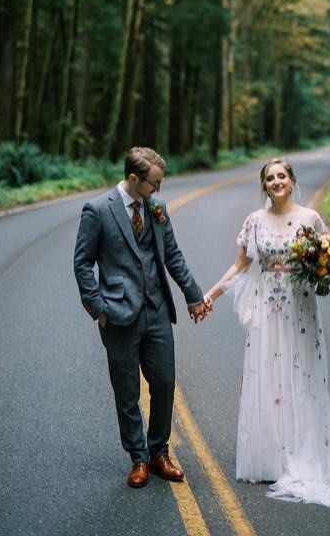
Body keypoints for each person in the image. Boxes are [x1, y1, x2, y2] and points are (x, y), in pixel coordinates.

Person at [203, 158, 330, 507]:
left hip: (301, 310)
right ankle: (267, 459)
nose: (277, 181)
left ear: (292, 180)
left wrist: (324, 269)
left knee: (299, 378)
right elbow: (240, 265)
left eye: (282, 176)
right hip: (267, 311)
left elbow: (329, 260)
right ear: (264, 185)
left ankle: (302, 456)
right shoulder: (254, 221)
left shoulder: (310, 219)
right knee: (267, 378)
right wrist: (209, 295)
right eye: (270, 178)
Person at [73, 146, 211, 488]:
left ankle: (159, 452)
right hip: (118, 315)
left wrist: (194, 296)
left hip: (157, 310)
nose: (158, 191)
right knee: (127, 391)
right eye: (154, 183)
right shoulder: (98, 210)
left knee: (164, 383)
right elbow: (82, 263)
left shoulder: (157, 208)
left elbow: (173, 256)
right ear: (134, 178)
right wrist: (98, 310)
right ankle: (137, 457)